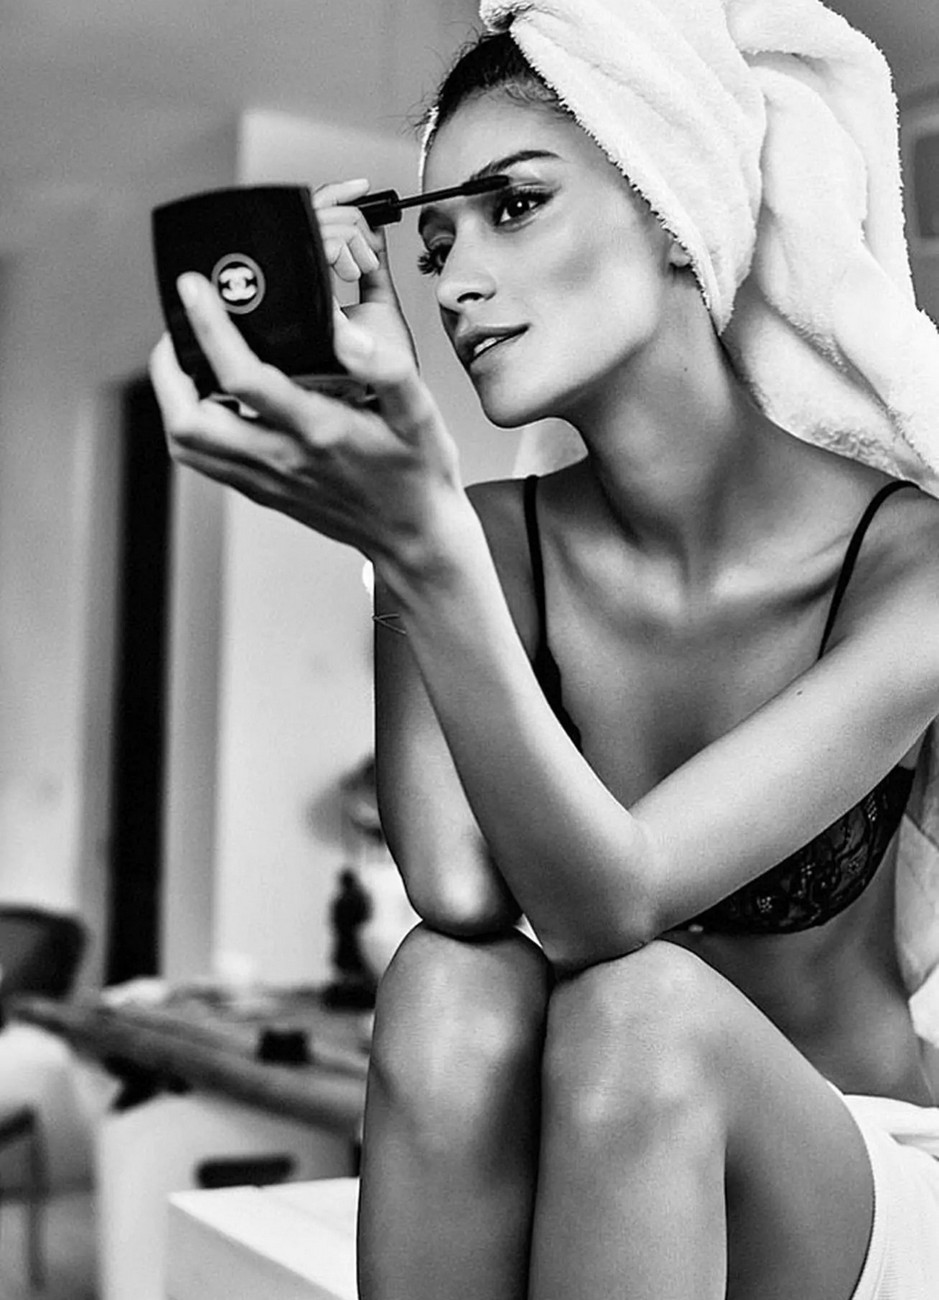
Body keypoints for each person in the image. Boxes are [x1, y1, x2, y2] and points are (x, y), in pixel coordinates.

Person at [149, 1, 939, 1294]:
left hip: (853, 1183)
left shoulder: (914, 562)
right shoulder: (482, 538)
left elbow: (605, 915)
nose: (455, 282)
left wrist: (421, 553)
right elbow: (462, 899)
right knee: (443, 987)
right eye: (435, 241)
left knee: (640, 1010)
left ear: (672, 209)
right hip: (610, 1163)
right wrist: (420, 534)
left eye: (514, 206)